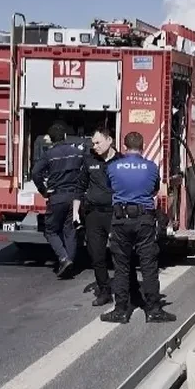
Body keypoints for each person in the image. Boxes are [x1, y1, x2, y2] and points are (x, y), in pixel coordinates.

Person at [99, 131, 176, 324]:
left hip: (120, 220)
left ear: (124, 147)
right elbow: (155, 189)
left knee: (122, 267)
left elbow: (110, 187)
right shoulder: (151, 167)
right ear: (142, 147)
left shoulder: (113, 167)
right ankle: (153, 310)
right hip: (144, 220)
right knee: (149, 266)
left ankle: (121, 310)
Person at [73, 126, 121, 306]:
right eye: (93, 143)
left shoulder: (121, 161)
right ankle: (104, 290)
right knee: (96, 255)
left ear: (110, 140)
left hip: (115, 214)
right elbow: (80, 187)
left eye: (98, 142)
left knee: (121, 254)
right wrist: (75, 211)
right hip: (93, 214)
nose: (95, 146)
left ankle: (125, 290)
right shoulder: (89, 160)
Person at [30, 121, 84, 277]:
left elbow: (35, 173)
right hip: (74, 196)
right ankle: (70, 263)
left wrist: (43, 190)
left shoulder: (49, 155)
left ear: (51, 139)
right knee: (70, 230)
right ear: (66, 137)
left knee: (51, 230)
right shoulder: (77, 152)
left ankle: (64, 258)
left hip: (57, 196)